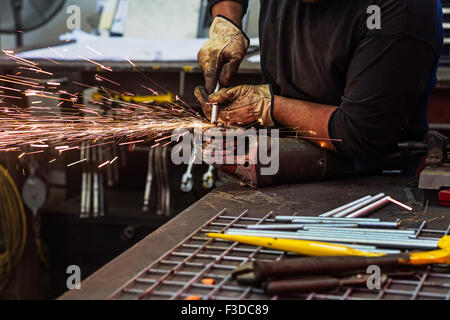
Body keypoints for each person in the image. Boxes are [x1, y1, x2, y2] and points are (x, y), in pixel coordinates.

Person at [194, 0, 443, 171]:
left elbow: (363, 134)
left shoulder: (398, 9)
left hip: (368, 181)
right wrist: (226, 20)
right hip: (284, 156)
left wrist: (266, 107)